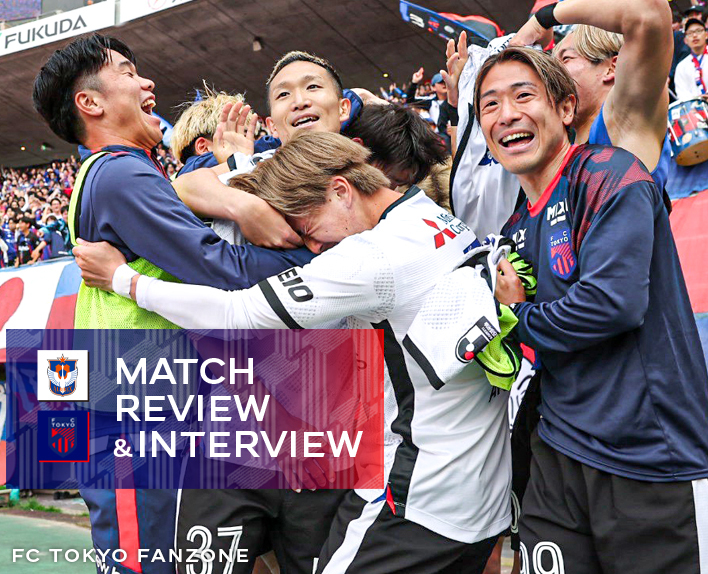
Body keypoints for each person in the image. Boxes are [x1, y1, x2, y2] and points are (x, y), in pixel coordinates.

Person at [73, 130, 514, 574]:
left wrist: (124, 280)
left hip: (418, 495)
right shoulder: (433, 216)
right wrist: (241, 185)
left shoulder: (372, 258)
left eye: (308, 230)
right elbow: (188, 185)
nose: (313, 249)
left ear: (340, 191)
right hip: (478, 492)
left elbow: (236, 313)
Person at [32, 32, 309, 574]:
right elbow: (222, 270)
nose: (147, 82)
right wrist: (319, 255)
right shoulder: (120, 173)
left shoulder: (115, 172)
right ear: (90, 102)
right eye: (127, 72)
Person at [475, 45, 708, 574]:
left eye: (523, 96)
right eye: (490, 104)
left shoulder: (608, 173)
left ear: (564, 108)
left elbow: (612, 304)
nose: (506, 114)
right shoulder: (514, 227)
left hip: (650, 457)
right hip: (558, 455)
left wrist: (515, 318)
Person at [674, 18, 708, 100]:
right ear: (685, 40)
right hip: (695, 107)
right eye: (690, 33)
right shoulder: (682, 66)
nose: (694, 35)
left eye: (698, 31)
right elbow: (681, 94)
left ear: (706, 35)